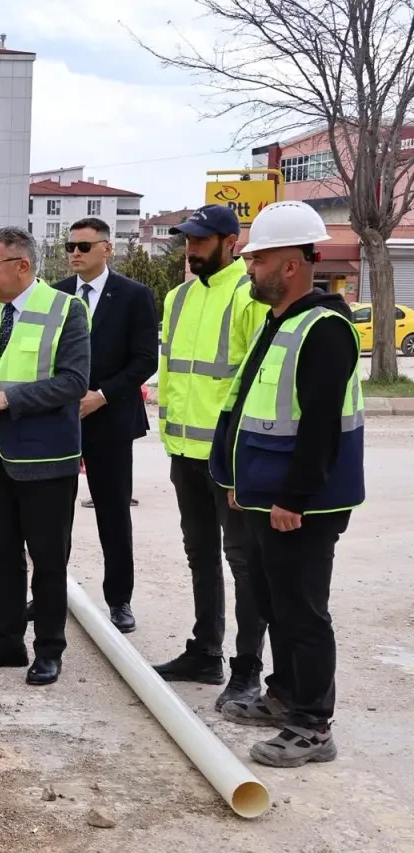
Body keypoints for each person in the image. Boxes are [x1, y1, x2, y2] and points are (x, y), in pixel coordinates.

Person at [209, 201, 364, 767]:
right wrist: (237, 479)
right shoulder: (282, 322)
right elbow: (254, 408)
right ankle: (284, 695)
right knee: (276, 601)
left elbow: (320, 427)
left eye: (258, 259)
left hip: (303, 503)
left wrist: (292, 499)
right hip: (266, 494)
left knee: (302, 610)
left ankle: (313, 725)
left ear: (293, 264)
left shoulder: (324, 328)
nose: (249, 268)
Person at [0, 226, 90, 687]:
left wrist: (9, 400)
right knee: (2, 557)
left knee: (48, 560)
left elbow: (73, 382)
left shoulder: (66, 310)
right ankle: (7, 640)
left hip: (45, 461)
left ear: (22, 266)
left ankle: (49, 649)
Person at [153, 204, 270, 712]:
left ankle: (248, 671)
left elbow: (258, 381)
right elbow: (175, 375)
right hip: (185, 452)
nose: (191, 248)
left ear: (231, 241)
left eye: (200, 240)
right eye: (186, 240)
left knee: (243, 564)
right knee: (200, 555)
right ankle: (206, 652)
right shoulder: (177, 298)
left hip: (230, 459)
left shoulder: (249, 295)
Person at [53, 218, 158, 633]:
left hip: (110, 420)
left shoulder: (133, 296)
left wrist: (102, 395)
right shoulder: (56, 296)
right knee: (54, 514)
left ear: (106, 249)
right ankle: (48, 592)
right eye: (70, 246)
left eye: (83, 245)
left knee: (113, 514)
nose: (75, 253)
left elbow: (145, 358)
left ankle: (120, 600)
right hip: (61, 420)